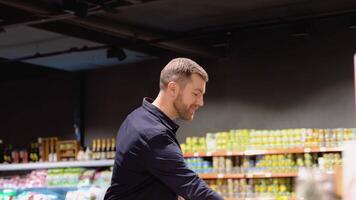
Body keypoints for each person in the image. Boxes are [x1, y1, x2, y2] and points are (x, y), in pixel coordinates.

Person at [104, 58, 224, 200]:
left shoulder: (135, 118)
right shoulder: (153, 135)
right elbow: (192, 186)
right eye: (196, 94)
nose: (201, 102)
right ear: (173, 88)